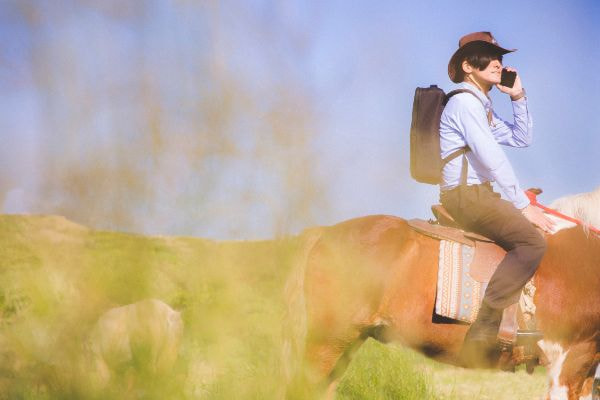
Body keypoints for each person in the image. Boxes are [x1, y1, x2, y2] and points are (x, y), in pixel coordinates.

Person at [438, 31, 555, 367]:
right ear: (467, 66)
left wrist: (518, 97)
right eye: (487, 57)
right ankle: (484, 331)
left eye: (499, 58)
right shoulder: (465, 103)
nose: (497, 63)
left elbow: (521, 138)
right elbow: (492, 158)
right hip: (466, 197)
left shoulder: (481, 108)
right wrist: (523, 206)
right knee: (532, 243)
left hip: (478, 195)